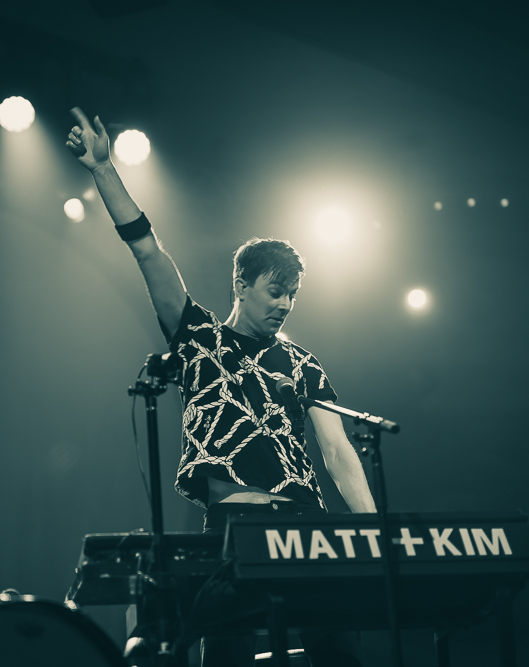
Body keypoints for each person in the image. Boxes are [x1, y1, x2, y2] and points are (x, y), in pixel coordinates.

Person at [66, 108, 375, 667]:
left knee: (342, 652)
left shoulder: (302, 363)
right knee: (228, 651)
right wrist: (104, 169)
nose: (285, 304)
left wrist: (374, 534)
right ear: (241, 283)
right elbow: (147, 251)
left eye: (292, 295)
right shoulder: (197, 338)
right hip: (236, 524)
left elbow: (337, 451)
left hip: (307, 526)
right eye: (275, 291)